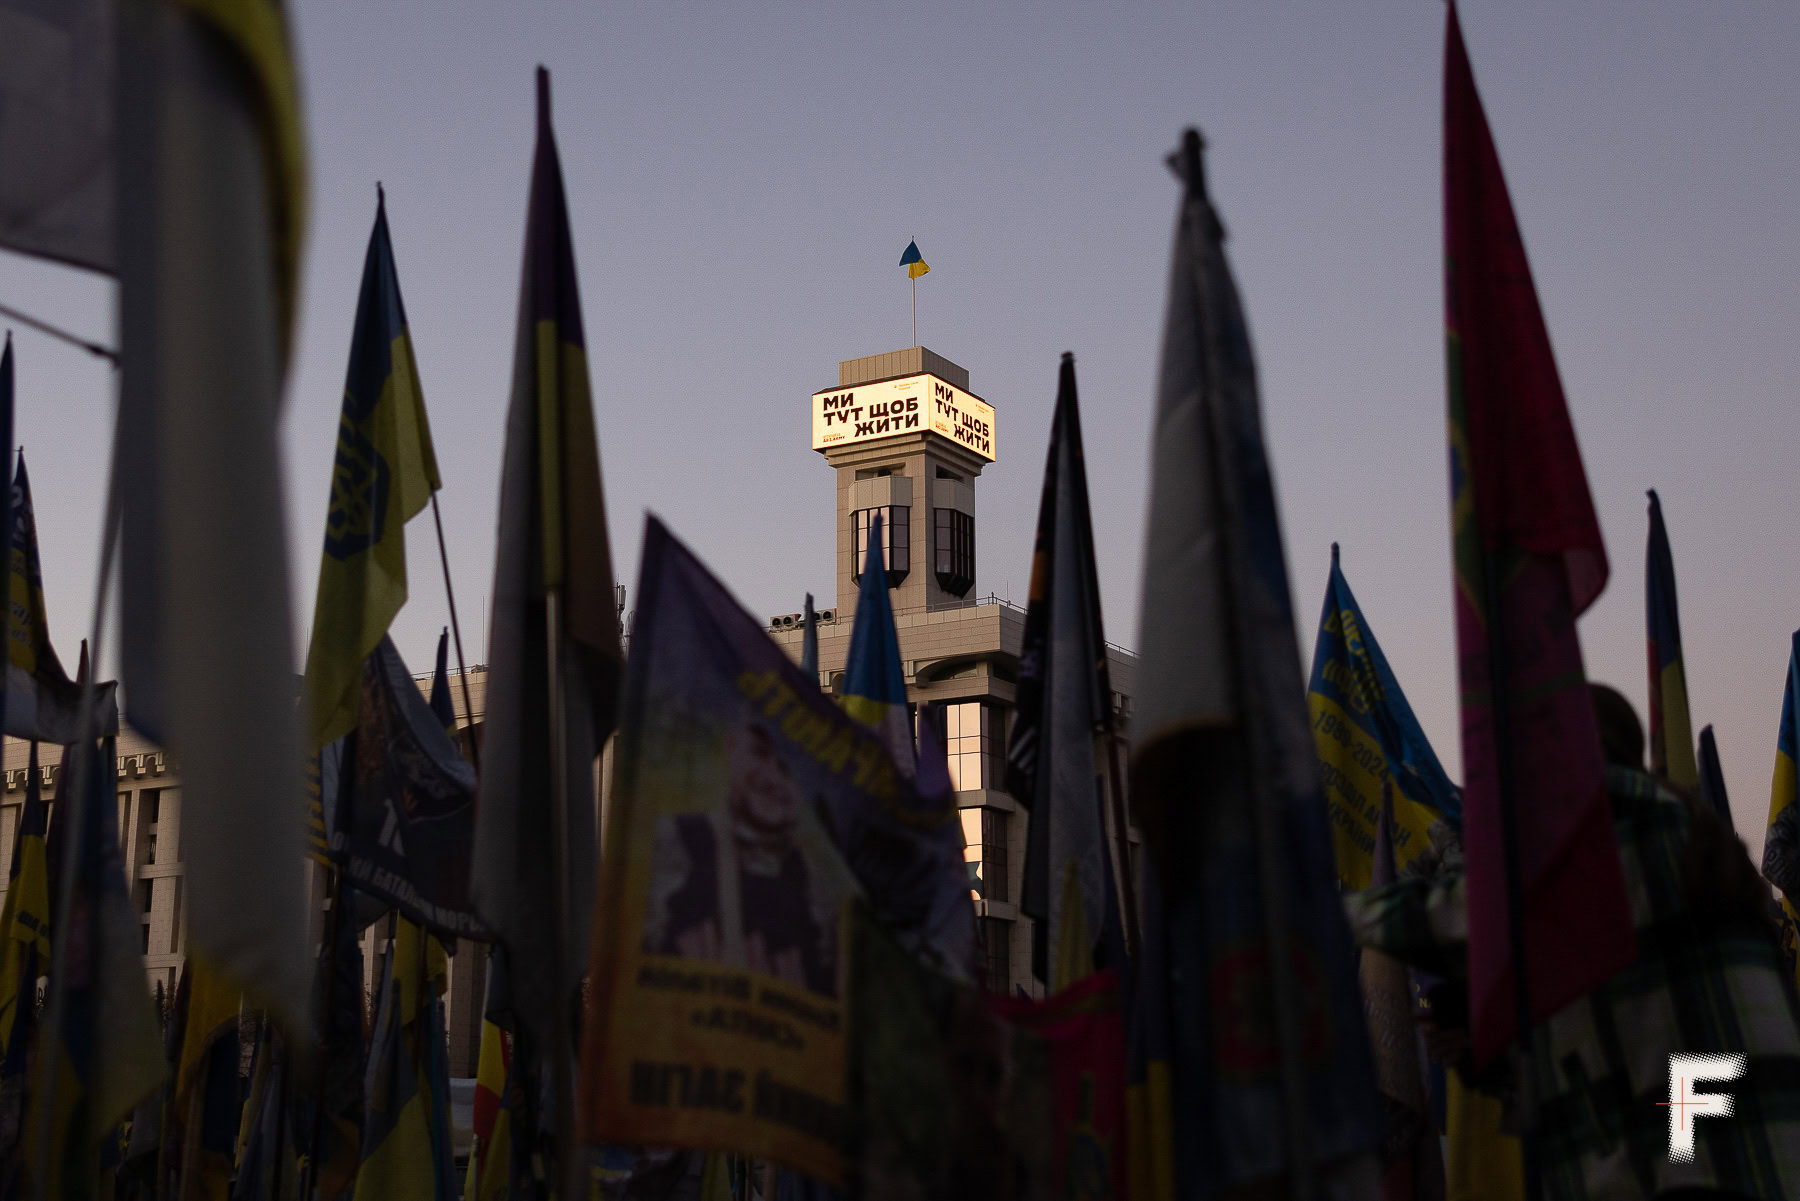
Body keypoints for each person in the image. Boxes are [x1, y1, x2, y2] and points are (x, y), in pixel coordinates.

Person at [1347, 684, 1800, 1200]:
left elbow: (1459, 916)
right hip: (1736, 1138)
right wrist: (1494, 1057)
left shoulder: (1616, 818)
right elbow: (1662, 1083)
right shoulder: (1686, 837)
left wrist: (1320, 917)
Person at [644, 722, 837, 997]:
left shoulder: (818, 881)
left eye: (787, 766)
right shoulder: (674, 840)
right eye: (759, 752)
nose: (772, 777)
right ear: (731, 747)